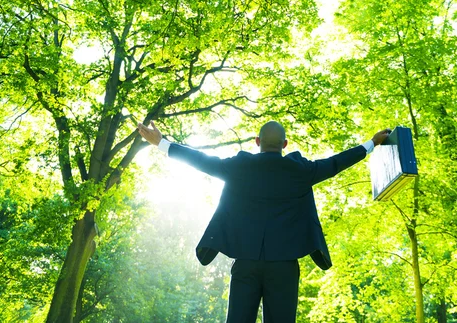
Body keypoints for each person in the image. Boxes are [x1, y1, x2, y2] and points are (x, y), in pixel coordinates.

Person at [138, 120, 390, 323]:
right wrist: (372, 143)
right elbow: (336, 163)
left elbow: (201, 161)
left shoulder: (239, 167)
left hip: (246, 262)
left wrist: (161, 143)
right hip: (284, 266)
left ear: (257, 142)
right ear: (285, 144)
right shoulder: (301, 171)